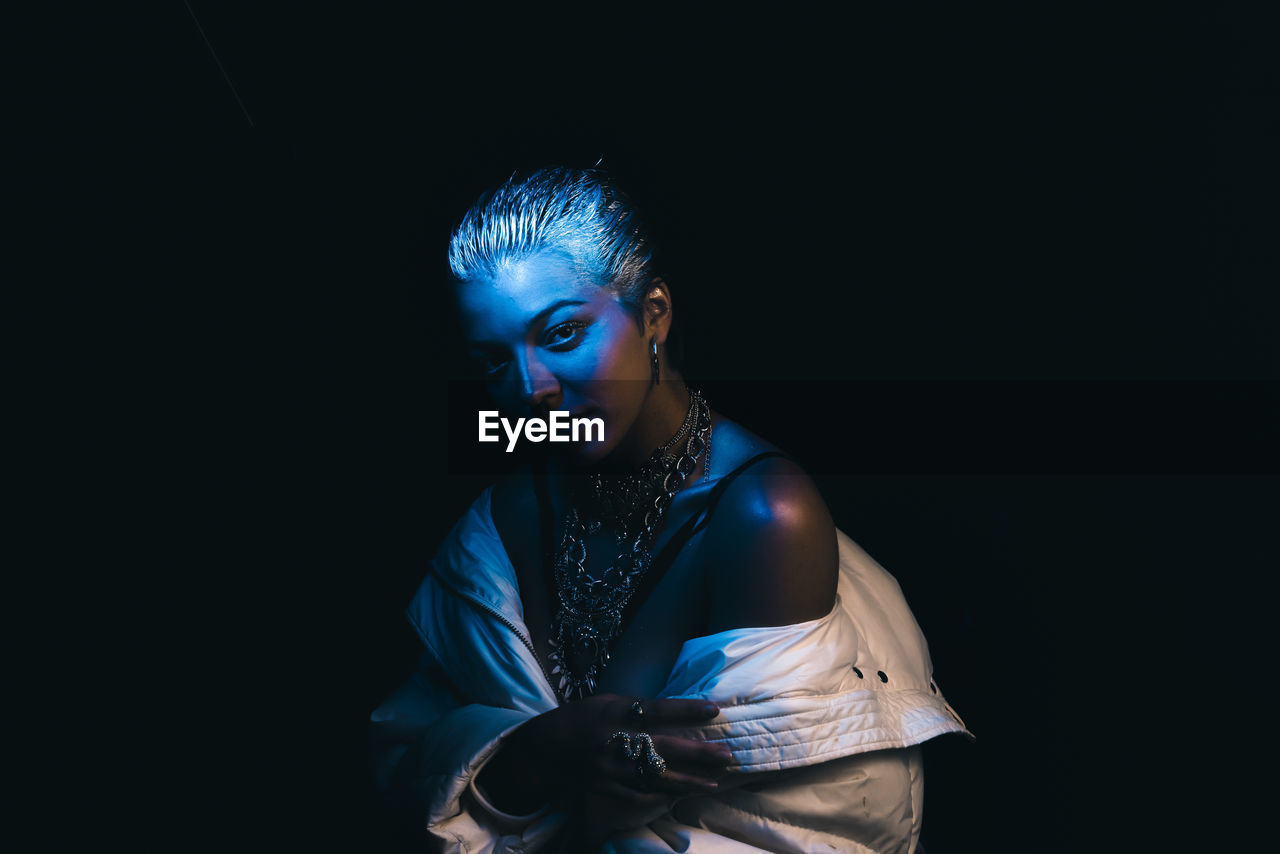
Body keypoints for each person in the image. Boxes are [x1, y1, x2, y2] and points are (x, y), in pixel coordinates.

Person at [370, 166, 971, 853]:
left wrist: (526, 779)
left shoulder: (762, 519)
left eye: (562, 335)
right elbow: (402, 766)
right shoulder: (507, 518)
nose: (528, 390)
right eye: (493, 360)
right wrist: (540, 750)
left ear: (653, 313)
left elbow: (757, 835)